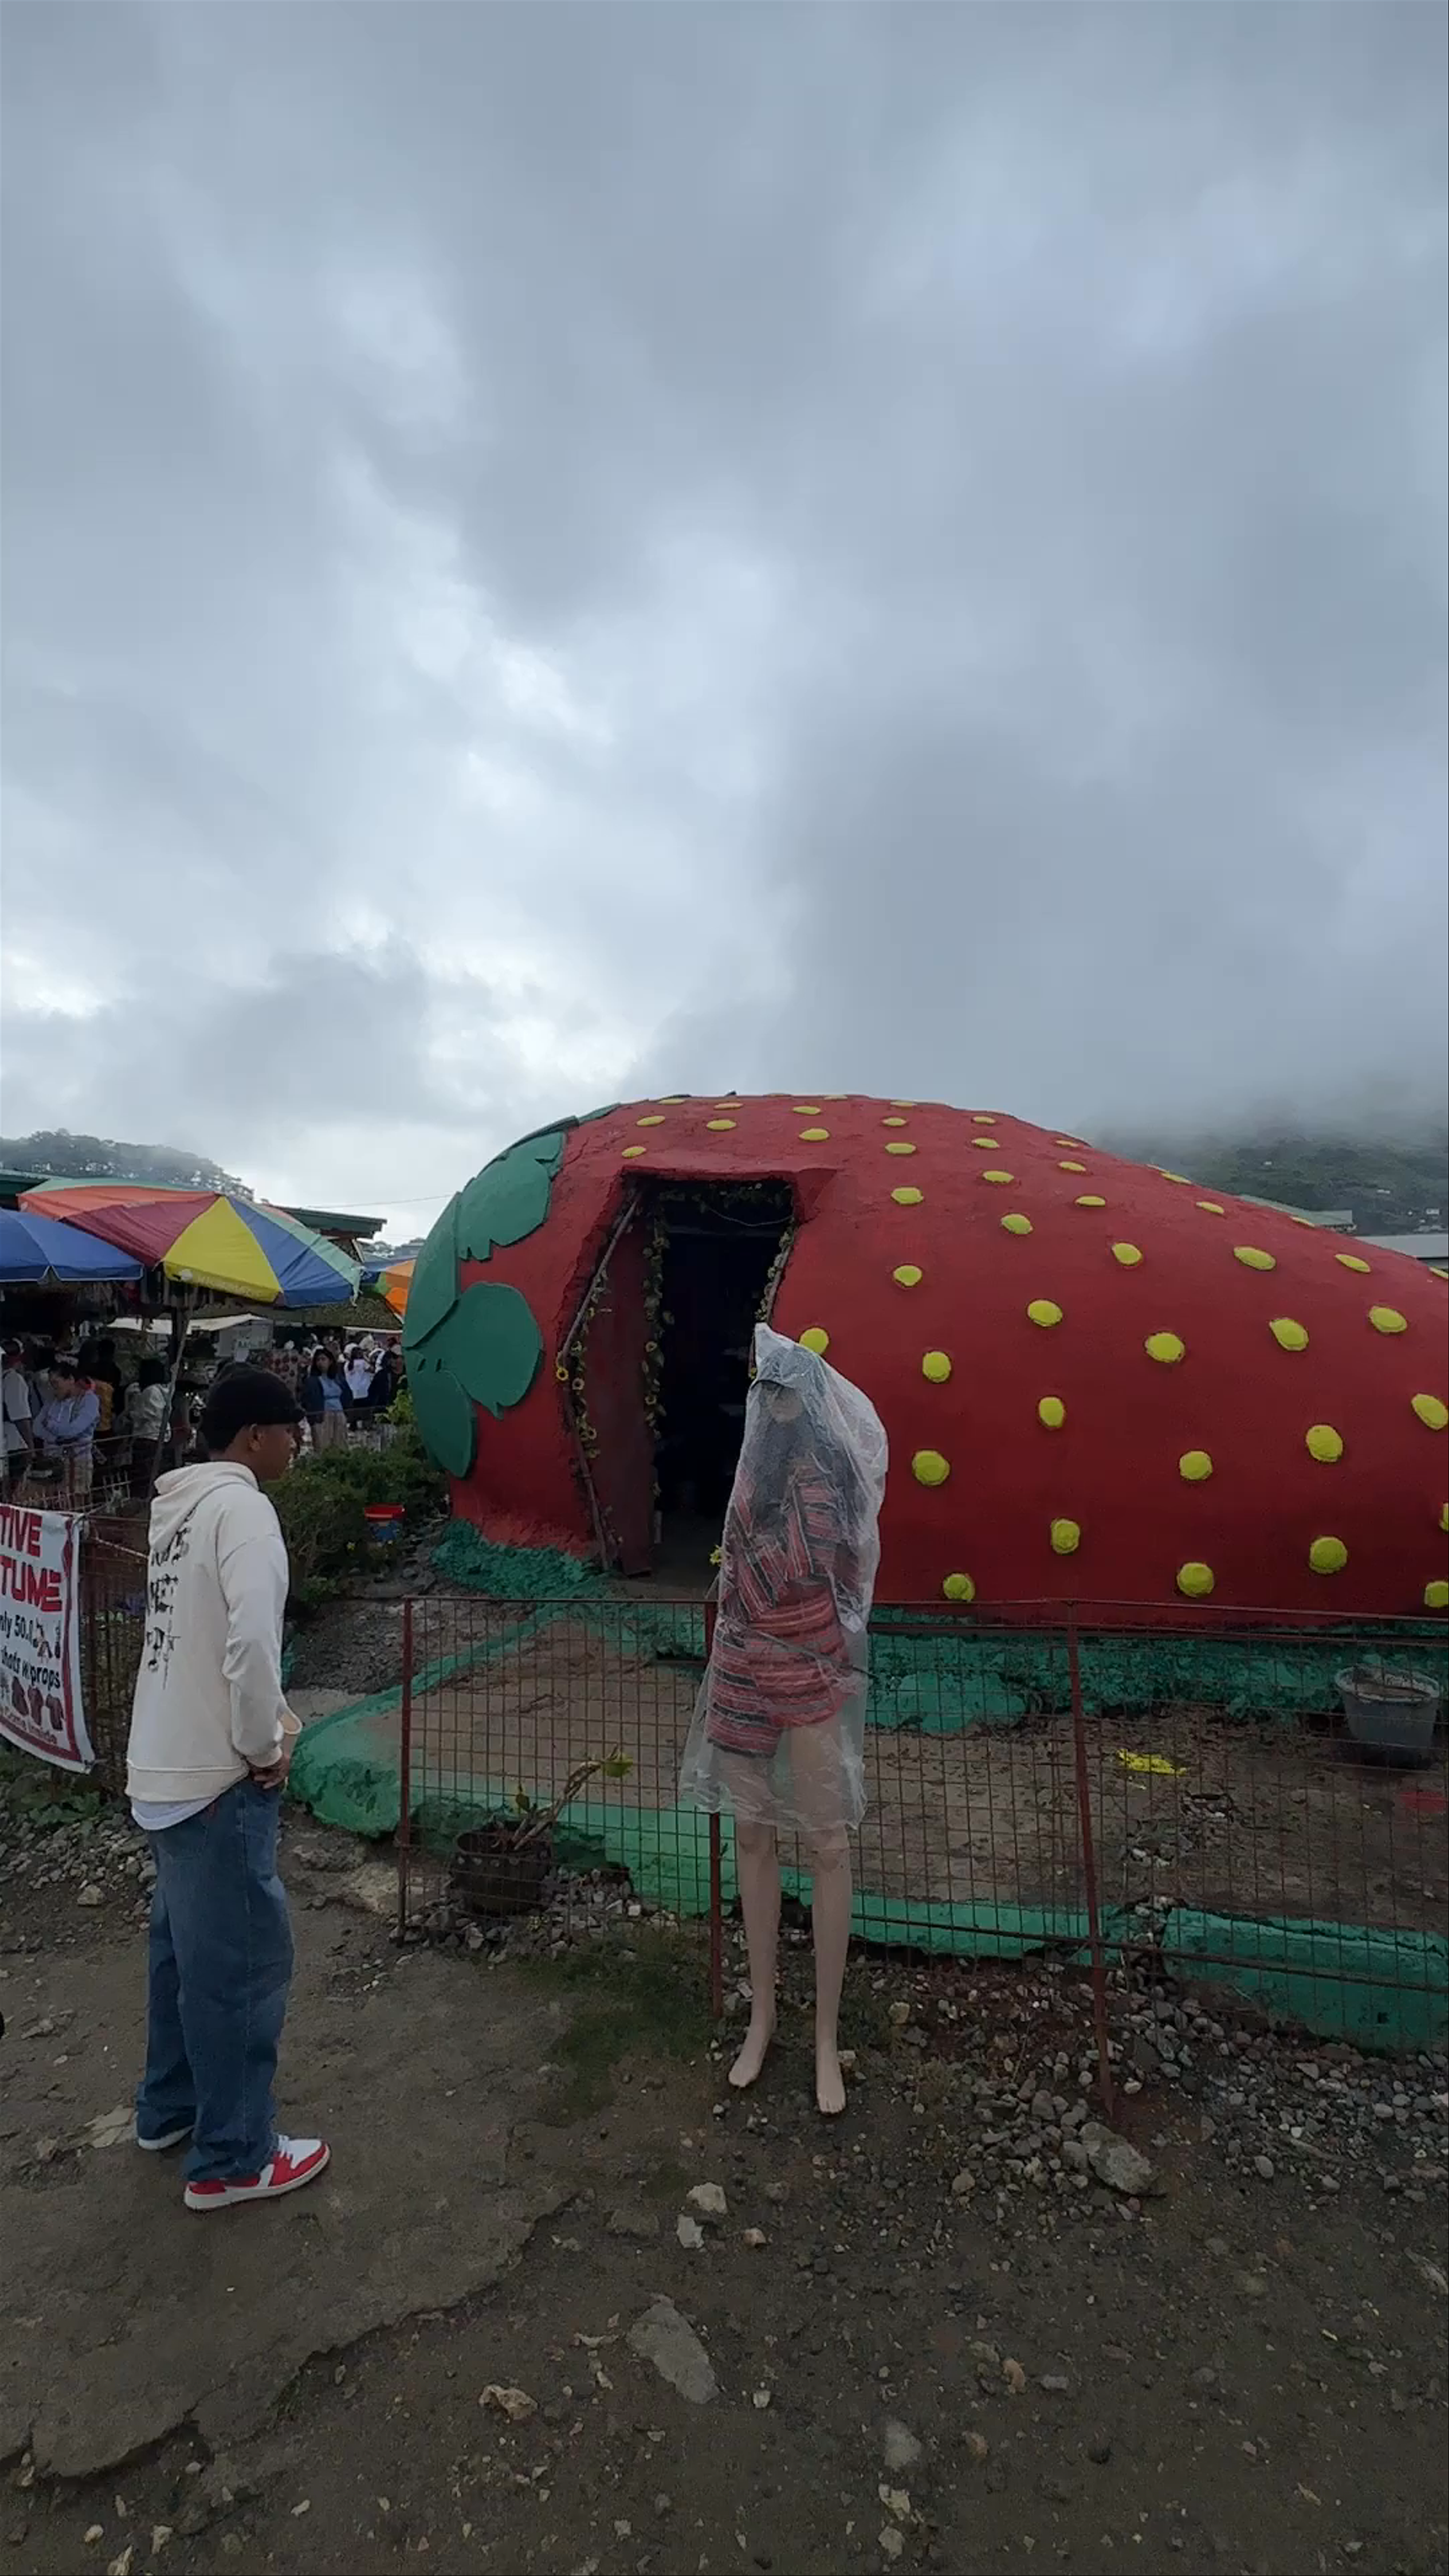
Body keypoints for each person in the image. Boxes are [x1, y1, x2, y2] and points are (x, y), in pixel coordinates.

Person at [126, 1365, 329, 2211]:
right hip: (216, 1772)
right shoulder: (244, 1506)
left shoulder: (178, 1509)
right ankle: (234, 2155)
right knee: (241, 1965)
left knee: (183, 1954)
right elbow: (252, 1643)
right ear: (255, 1435)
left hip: (161, 1761)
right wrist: (262, 1748)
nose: (299, 1442)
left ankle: (169, 2106)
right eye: (292, 1429)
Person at [679, 1324, 888, 2117]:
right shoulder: (747, 1472)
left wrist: (766, 1574)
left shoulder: (829, 1477)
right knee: (755, 1833)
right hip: (741, 1667)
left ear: (810, 1397)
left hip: (807, 1663)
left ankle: (826, 2032)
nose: (773, 1402)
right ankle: (763, 2013)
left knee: (827, 1840)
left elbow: (822, 1566)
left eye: (784, 1388)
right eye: (765, 1389)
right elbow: (736, 1568)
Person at [33, 1357, 102, 1507]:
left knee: (76, 1502)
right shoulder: (53, 1401)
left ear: (70, 1380)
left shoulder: (89, 1401)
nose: (53, 1389)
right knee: (52, 1502)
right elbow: (37, 1428)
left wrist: (51, 1426)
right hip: (53, 1461)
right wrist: (57, 1437)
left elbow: (74, 1430)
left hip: (77, 1461)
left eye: (56, 1384)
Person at [125, 1355, 171, 1497]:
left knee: (143, 1477)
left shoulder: (150, 1392)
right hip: (160, 1436)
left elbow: (145, 1414)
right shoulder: (164, 1390)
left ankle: (142, 1502)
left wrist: (132, 1414)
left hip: (148, 1436)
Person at [2, 1342, 34, 1487]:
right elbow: (21, 1417)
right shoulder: (13, 1380)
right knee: (15, 1489)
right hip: (13, 1444)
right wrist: (31, 1448)